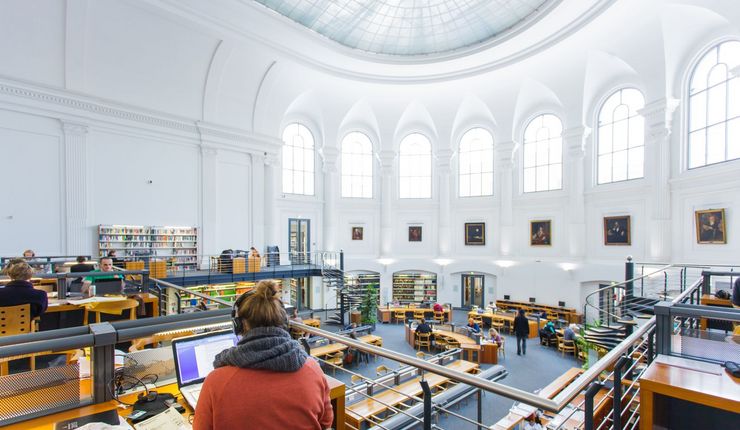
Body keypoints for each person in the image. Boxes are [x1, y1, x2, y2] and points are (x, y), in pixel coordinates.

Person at [194, 280, 333, 430]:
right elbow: (326, 422)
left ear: (238, 326)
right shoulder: (312, 369)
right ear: (284, 322)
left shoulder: (216, 382)